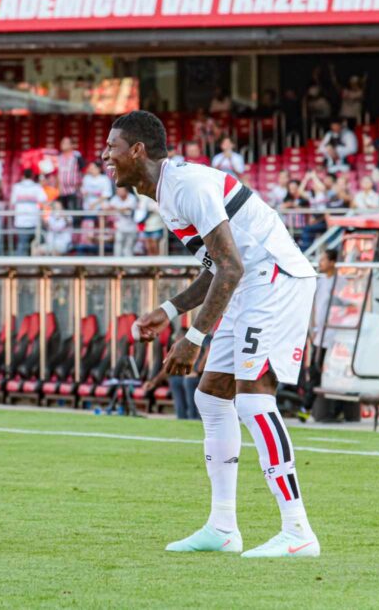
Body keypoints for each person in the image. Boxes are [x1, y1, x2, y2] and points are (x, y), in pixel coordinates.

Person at [113, 110, 321, 558]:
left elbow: (233, 265)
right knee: (212, 395)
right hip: (248, 282)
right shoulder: (167, 193)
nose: (105, 158)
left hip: (276, 277)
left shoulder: (187, 186)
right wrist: (169, 311)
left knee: (253, 397)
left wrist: (193, 338)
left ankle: (298, 530)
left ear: (137, 150)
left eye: (112, 149)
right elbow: (218, 268)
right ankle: (223, 527)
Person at [302, 249, 337, 416]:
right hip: (320, 334)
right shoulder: (320, 282)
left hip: (336, 335)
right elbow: (314, 307)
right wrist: (313, 328)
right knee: (315, 370)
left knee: (330, 370)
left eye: (323, 260)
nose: (320, 263)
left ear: (332, 262)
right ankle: (307, 407)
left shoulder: (341, 282)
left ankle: (329, 410)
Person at [10, 169, 48, 256]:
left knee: (22, 244)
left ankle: (19, 266)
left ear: (23, 176)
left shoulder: (17, 187)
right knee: (36, 245)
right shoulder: (37, 187)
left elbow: (12, 201)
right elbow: (44, 200)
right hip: (34, 220)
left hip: (21, 221)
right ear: (32, 176)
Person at [108, 187, 139, 257]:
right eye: (118, 190)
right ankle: (117, 266)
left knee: (128, 249)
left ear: (126, 191)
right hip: (119, 227)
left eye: (121, 190)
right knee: (118, 247)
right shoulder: (115, 198)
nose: (119, 192)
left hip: (131, 228)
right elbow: (108, 208)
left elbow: (127, 208)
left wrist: (116, 208)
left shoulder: (132, 198)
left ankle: (129, 267)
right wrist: (120, 209)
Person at [55, 137, 84, 211]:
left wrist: (79, 186)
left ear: (71, 145)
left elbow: (83, 171)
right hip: (62, 191)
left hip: (74, 190)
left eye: (65, 143)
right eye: (62, 143)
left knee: (74, 212)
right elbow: (57, 173)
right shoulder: (59, 157)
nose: (62, 145)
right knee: (64, 212)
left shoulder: (76, 156)